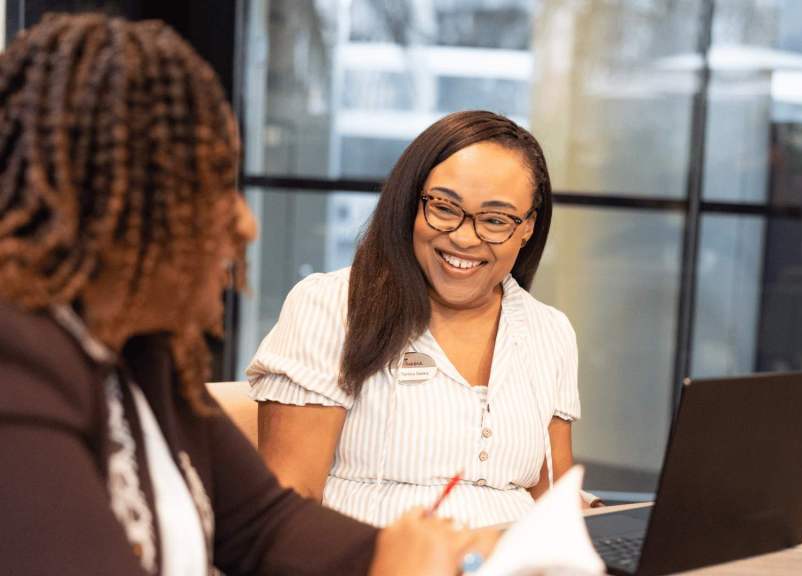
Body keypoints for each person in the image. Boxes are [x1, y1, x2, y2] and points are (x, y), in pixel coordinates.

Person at [0, 14, 491, 575]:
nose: (246, 224)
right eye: (211, 189)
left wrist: (398, 552)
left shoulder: (145, 355)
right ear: (109, 207)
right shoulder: (16, 362)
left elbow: (264, 527)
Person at [247, 110, 585, 528]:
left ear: (527, 228)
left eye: (495, 220)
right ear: (411, 203)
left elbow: (555, 501)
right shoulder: (331, 305)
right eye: (445, 208)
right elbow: (288, 511)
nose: (464, 237)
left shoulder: (550, 331)